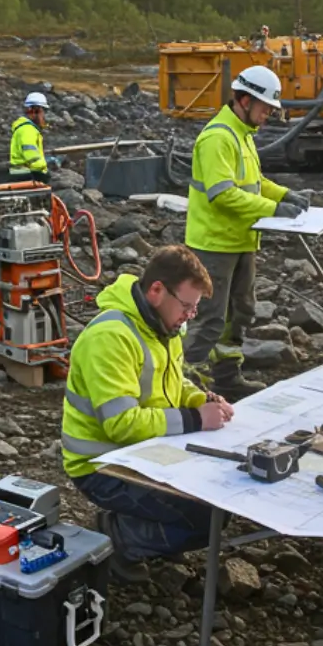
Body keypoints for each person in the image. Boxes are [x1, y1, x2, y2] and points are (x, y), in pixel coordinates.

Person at [61, 246, 235, 581]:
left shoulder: (162, 324)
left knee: (220, 500)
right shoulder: (110, 338)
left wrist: (200, 399)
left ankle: (149, 531)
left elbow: (171, 381)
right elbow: (121, 425)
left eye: (196, 307)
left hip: (145, 451)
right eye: (187, 306)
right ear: (156, 290)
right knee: (206, 519)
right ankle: (118, 538)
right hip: (103, 466)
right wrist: (196, 419)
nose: (191, 315)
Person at [183, 65, 299, 399]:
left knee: (239, 314)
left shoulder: (241, 135)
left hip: (240, 242)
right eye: (264, 108)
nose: (267, 116)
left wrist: (283, 195)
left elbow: (253, 183)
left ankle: (227, 379)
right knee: (209, 320)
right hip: (214, 246)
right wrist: (274, 210)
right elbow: (223, 194)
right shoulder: (218, 138)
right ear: (244, 100)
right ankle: (186, 388)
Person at [5, 91, 61, 181]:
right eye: (43, 111)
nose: (44, 116)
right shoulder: (28, 130)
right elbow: (33, 159)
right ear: (35, 110)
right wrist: (47, 164)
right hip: (26, 175)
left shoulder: (25, 128)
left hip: (20, 173)